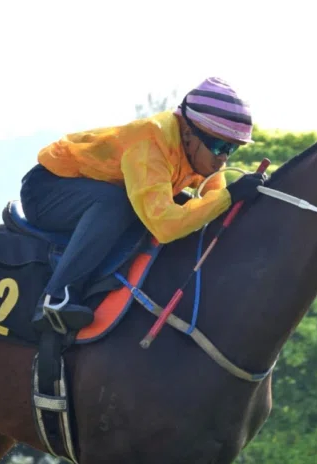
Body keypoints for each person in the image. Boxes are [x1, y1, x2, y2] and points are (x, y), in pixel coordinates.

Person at [20, 77, 268, 335]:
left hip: (94, 192)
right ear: (187, 133)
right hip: (46, 192)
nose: (222, 159)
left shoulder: (197, 150)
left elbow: (213, 201)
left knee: (181, 204)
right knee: (117, 203)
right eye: (218, 146)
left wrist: (237, 199)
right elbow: (165, 226)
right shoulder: (150, 143)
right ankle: (56, 297)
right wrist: (228, 196)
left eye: (231, 149)